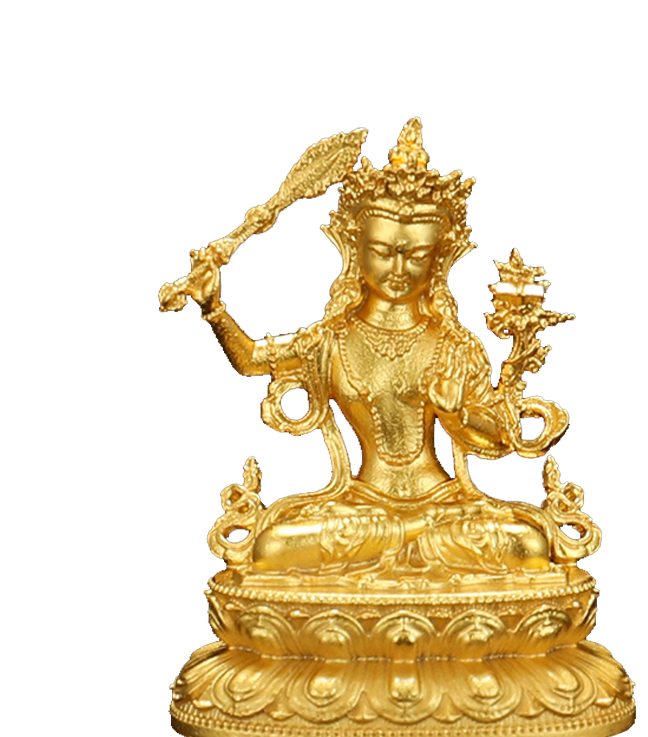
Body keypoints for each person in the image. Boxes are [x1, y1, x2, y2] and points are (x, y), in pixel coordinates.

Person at [188, 120, 560, 575]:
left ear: (439, 259)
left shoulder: (454, 345)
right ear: (355, 248)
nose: (398, 269)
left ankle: (403, 544)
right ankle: (405, 545)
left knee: (526, 543)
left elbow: (499, 437)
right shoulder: (329, 340)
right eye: (382, 252)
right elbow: (249, 360)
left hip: (444, 507)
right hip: (359, 507)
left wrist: (458, 415)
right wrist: (213, 307)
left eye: (416, 256)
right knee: (273, 546)